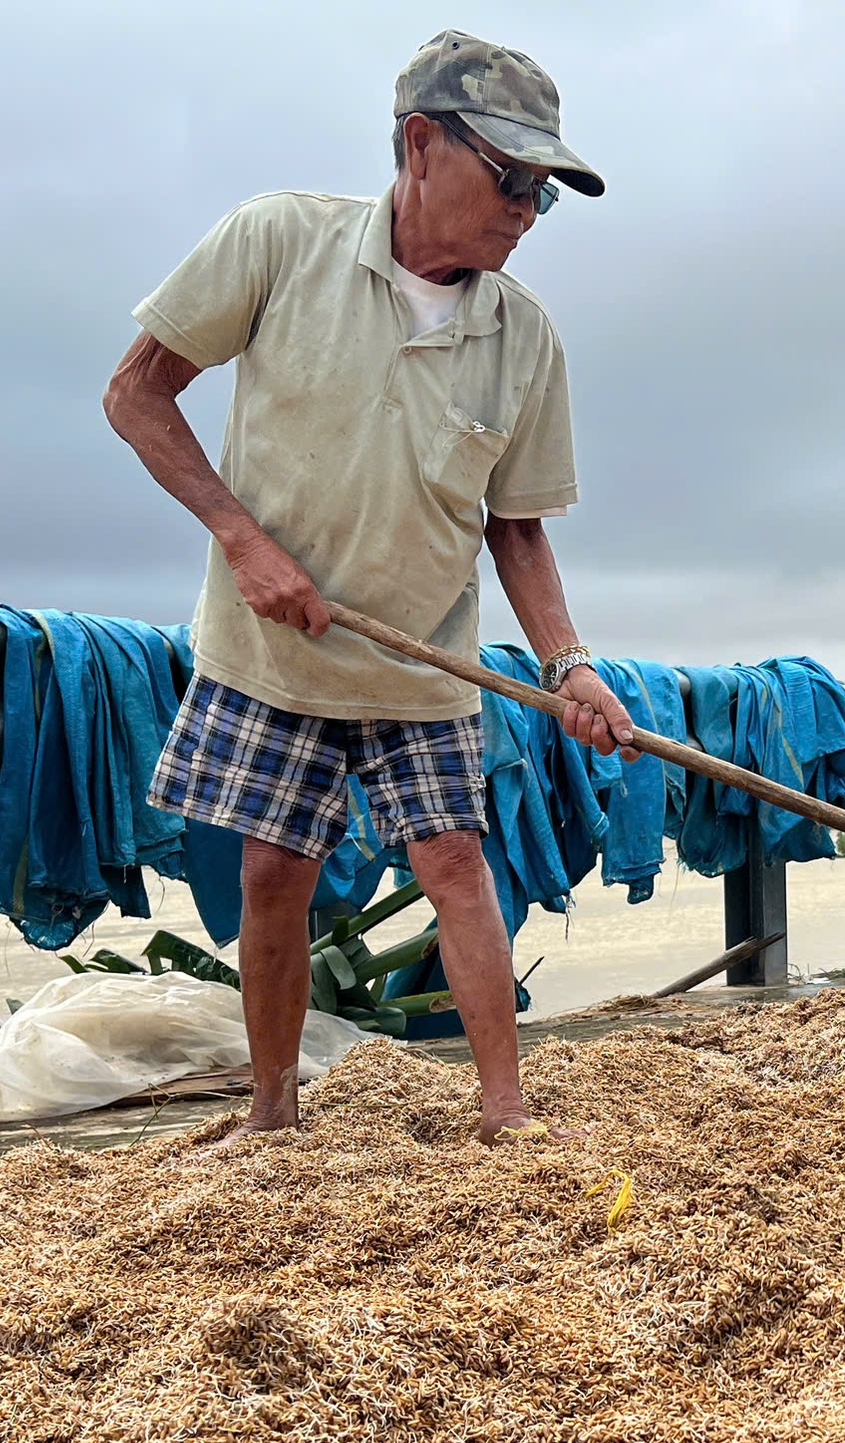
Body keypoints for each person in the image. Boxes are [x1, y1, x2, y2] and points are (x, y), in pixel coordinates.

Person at [104, 31, 632, 1140]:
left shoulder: (522, 337)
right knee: (272, 874)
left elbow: (517, 531)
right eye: (512, 179)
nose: (527, 210)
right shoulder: (278, 242)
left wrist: (570, 665)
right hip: (276, 647)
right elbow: (137, 395)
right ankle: (271, 1114)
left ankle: (505, 1112)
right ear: (420, 144)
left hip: (419, 653)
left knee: (454, 862)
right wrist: (242, 539)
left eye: (546, 193)